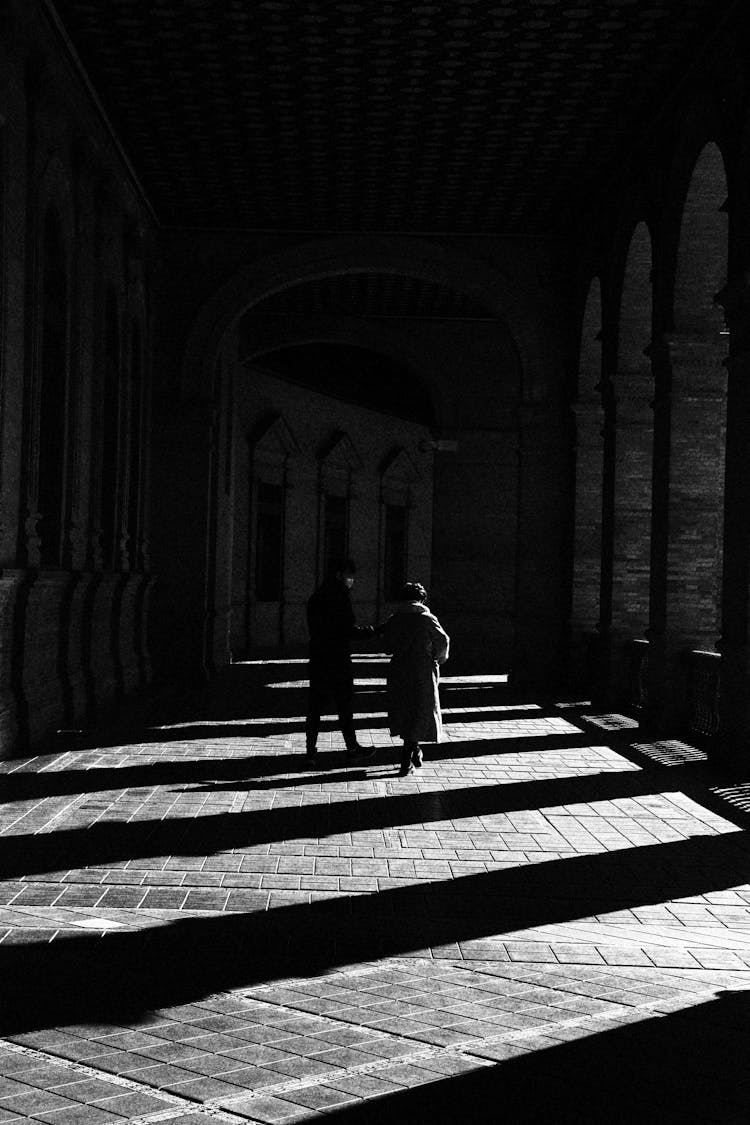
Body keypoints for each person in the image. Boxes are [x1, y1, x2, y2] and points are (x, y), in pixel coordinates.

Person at [305, 559, 375, 766]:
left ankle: (310, 752)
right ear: (339, 575)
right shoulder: (340, 597)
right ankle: (352, 748)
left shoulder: (316, 597)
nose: (351, 581)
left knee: (315, 707)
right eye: (349, 576)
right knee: (344, 706)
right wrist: (372, 631)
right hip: (338, 659)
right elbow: (348, 629)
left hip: (318, 657)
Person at [379, 581, 450, 776]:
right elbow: (443, 640)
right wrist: (438, 657)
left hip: (400, 669)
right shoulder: (426, 618)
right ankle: (407, 757)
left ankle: (413, 751)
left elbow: (387, 647)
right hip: (422, 669)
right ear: (422, 598)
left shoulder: (394, 619)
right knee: (420, 709)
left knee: (404, 709)